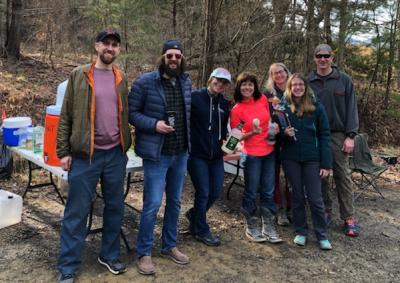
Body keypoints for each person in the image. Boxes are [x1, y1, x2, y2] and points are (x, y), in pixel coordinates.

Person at [56, 30, 132, 283]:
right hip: (85, 156)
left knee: (115, 207)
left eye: (115, 45)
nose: (110, 48)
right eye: (106, 44)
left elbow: (124, 115)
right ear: (97, 46)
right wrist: (63, 152)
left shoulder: (121, 78)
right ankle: (67, 266)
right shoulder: (79, 75)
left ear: (118, 50)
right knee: (76, 211)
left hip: (114, 155)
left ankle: (109, 255)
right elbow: (65, 115)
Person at [128, 40, 192, 275]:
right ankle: (144, 252)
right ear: (163, 57)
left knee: (175, 202)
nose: (173, 59)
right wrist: (155, 124)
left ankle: (169, 245)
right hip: (157, 154)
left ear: (182, 58)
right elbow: (132, 113)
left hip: (181, 152)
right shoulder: (146, 82)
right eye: (169, 55)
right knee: (152, 203)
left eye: (177, 56)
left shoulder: (186, 81)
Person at [308, 44, 360, 237]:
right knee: (321, 176)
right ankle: (326, 211)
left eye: (326, 56)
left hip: (338, 135)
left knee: (342, 176)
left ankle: (349, 217)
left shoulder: (344, 80)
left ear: (332, 58)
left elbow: (352, 109)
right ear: (314, 58)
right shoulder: (308, 81)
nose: (323, 59)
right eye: (319, 56)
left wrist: (351, 136)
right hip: (315, 135)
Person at [278, 73, 333, 250]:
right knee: (297, 197)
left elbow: (324, 135)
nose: (297, 88)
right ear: (289, 87)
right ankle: (301, 232)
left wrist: (326, 164)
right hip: (291, 158)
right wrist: (284, 134)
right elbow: (274, 134)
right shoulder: (283, 108)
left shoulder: (317, 107)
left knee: (316, 198)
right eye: (294, 85)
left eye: (301, 84)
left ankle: (322, 235)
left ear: (306, 87)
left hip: (312, 158)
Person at [230, 72, 282, 244]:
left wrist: (274, 129)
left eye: (250, 84)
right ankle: (252, 225)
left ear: (255, 86)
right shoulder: (237, 110)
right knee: (251, 192)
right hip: (251, 155)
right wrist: (251, 132)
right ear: (239, 87)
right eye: (243, 84)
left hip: (269, 152)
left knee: (268, 191)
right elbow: (234, 139)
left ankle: (268, 226)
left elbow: (270, 119)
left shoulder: (262, 101)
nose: (247, 87)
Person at [186, 67, 232, 247]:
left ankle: (194, 215)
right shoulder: (195, 97)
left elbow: (228, 130)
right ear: (211, 79)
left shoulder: (225, 104)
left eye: (224, 82)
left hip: (216, 156)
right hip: (197, 154)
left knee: (215, 191)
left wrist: (230, 143)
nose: (220, 84)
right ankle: (202, 230)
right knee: (203, 192)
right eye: (217, 80)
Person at [264, 62, 292, 226]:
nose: (279, 75)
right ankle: (278, 208)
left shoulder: (295, 89)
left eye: (281, 72)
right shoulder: (267, 93)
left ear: (286, 73)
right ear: (271, 76)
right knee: (273, 175)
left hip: (290, 139)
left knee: (291, 176)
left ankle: (291, 207)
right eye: (275, 73)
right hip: (273, 139)